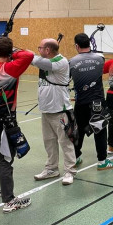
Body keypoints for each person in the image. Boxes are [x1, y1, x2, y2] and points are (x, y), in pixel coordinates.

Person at [0, 37, 33, 213]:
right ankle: (9, 200)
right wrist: (13, 52)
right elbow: (28, 55)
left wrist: (5, 51)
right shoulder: (11, 68)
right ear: (10, 53)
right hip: (5, 119)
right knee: (6, 158)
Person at [32, 38, 76, 185]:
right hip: (46, 110)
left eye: (40, 48)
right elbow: (37, 61)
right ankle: (51, 168)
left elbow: (39, 62)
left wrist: (26, 55)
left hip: (60, 110)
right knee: (49, 141)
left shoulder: (60, 61)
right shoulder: (45, 60)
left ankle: (70, 171)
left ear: (47, 50)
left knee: (66, 142)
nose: (38, 50)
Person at [69, 33, 113, 170]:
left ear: (76, 46)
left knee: (79, 130)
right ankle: (102, 161)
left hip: (80, 102)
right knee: (99, 130)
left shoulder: (71, 62)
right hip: (97, 102)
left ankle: (75, 158)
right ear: (89, 44)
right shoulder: (100, 58)